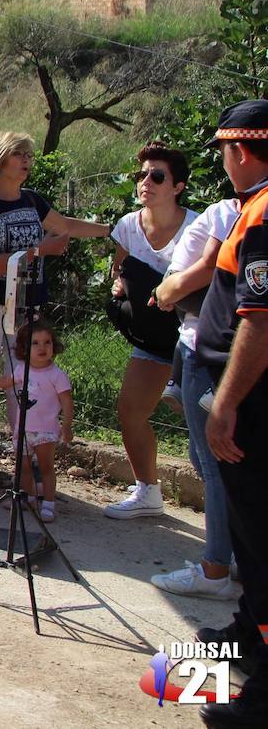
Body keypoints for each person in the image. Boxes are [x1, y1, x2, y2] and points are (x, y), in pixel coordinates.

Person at [0, 131, 111, 485]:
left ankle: (22, 462)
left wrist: (113, 230)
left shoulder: (33, 201)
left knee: (24, 383)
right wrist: (39, 250)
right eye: (18, 154)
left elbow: (68, 226)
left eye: (28, 154)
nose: (27, 160)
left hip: (26, 305)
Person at [187, 99, 268, 728]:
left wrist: (227, 406)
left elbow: (259, 323)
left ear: (240, 150)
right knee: (247, 529)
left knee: (262, 540)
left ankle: (261, 696)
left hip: (252, 405)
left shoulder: (264, 214)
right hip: (245, 398)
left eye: (223, 151)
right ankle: (246, 632)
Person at [148, 196, 241, 598]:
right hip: (200, 339)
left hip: (205, 341)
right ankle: (234, 554)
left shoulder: (230, 211)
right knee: (202, 455)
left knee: (214, 463)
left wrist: (167, 290)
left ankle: (215, 569)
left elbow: (208, 268)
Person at [103, 142, 199, 519]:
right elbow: (119, 270)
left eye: (157, 176)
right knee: (130, 409)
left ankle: (237, 513)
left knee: (209, 425)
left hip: (195, 338)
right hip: (153, 335)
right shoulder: (128, 225)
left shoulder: (197, 226)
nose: (146, 181)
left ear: (177, 186)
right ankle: (148, 492)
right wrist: (120, 286)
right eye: (141, 175)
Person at [0, 318, 73, 523]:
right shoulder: (22, 370)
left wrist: (67, 425)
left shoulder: (57, 375)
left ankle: (49, 505)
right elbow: (5, 383)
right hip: (23, 430)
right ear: (24, 349)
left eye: (47, 342)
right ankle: (27, 498)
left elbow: (67, 402)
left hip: (46, 431)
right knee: (23, 467)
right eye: (35, 343)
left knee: (45, 468)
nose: (42, 348)